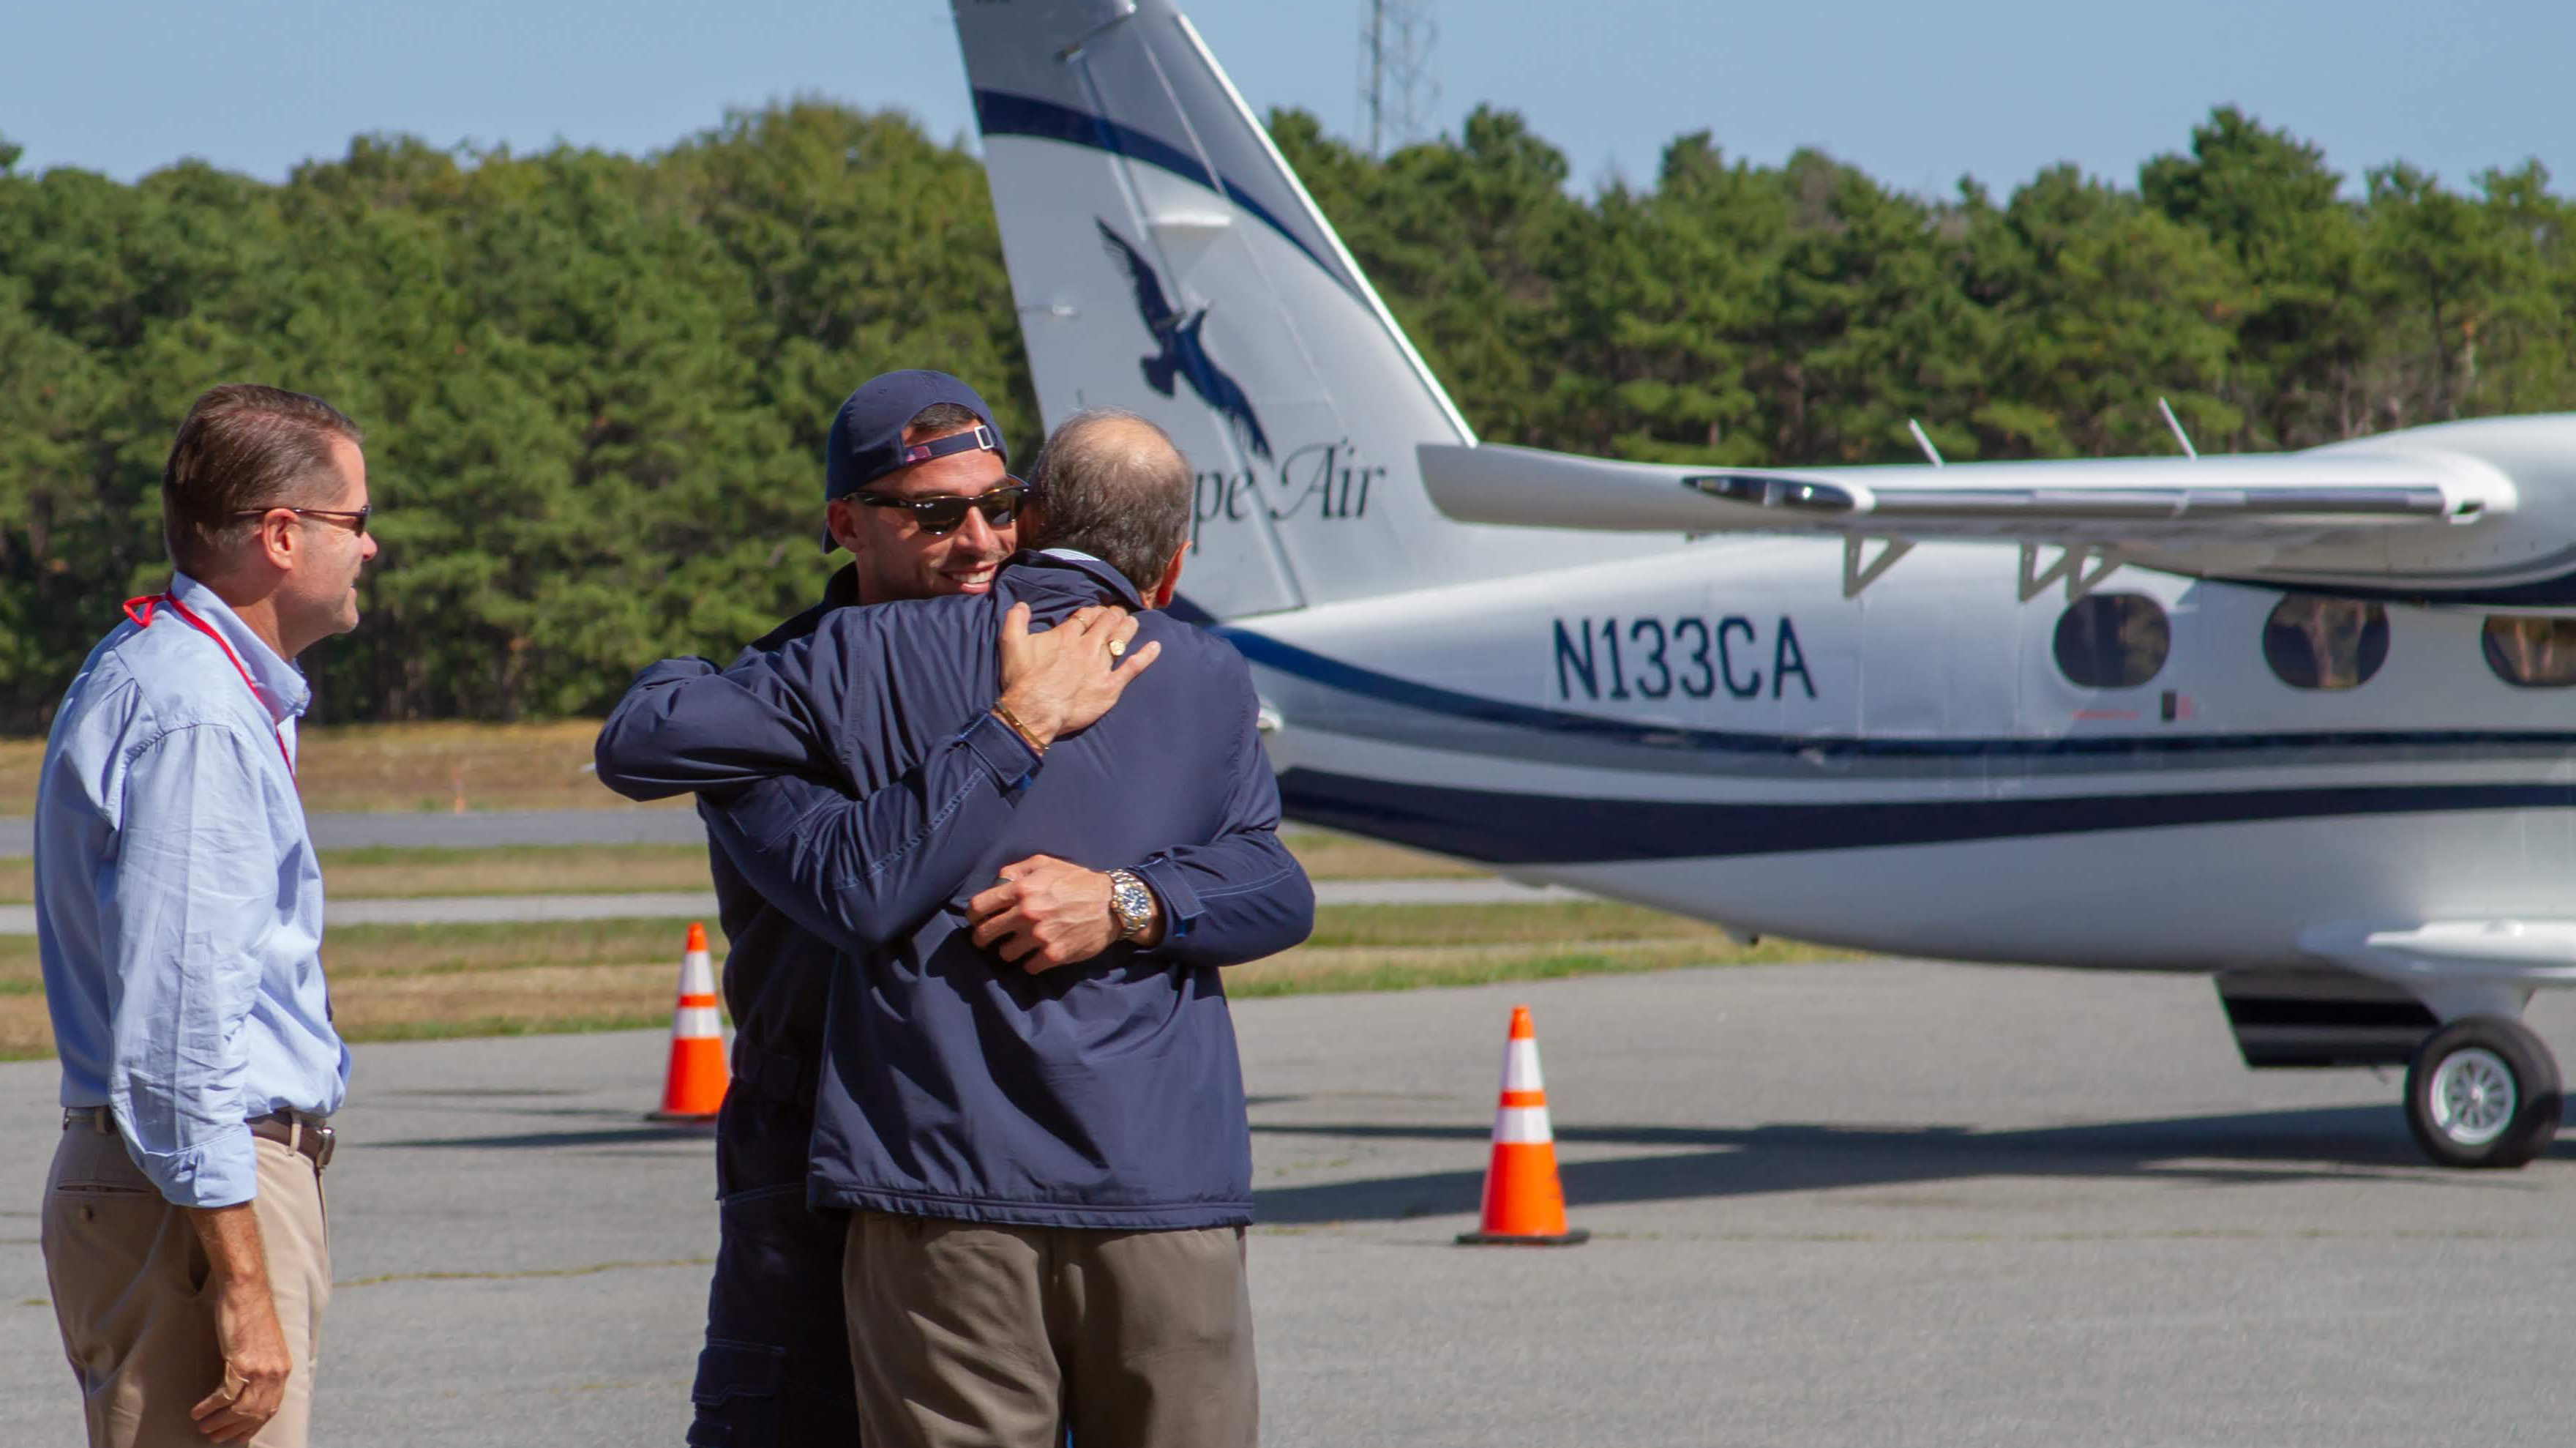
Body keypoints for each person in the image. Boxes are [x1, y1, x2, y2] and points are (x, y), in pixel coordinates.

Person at [592, 373, 1311, 1447]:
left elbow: (1274, 880)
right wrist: (1015, 723)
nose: (978, 539)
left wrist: (1127, 900)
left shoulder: (1104, 662)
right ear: (847, 526)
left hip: (965, 1188)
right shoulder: (797, 690)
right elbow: (825, 860)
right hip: (813, 1169)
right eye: (932, 513)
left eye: (1001, 503)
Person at [35, 384, 375, 1447]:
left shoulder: (173, 672)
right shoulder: (199, 715)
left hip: (167, 1181)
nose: (371, 547)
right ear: (282, 534)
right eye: (355, 521)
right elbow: (181, 1037)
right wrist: (243, 1278)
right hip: (192, 1190)